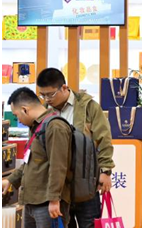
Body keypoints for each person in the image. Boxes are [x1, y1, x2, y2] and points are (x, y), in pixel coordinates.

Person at [34, 68, 114, 227]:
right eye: (43, 95)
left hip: (86, 180)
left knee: (89, 224)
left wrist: (105, 171)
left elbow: (103, 139)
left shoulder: (88, 106)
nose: (47, 99)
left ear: (64, 87)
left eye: (50, 94)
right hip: (60, 186)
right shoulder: (45, 113)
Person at [3, 87, 73, 228]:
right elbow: (29, 162)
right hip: (32, 202)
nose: (18, 120)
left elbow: (58, 166)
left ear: (25, 110)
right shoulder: (37, 127)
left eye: (17, 116)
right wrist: (10, 180)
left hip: (48, 205)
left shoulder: (55, 127)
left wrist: (54, 200)